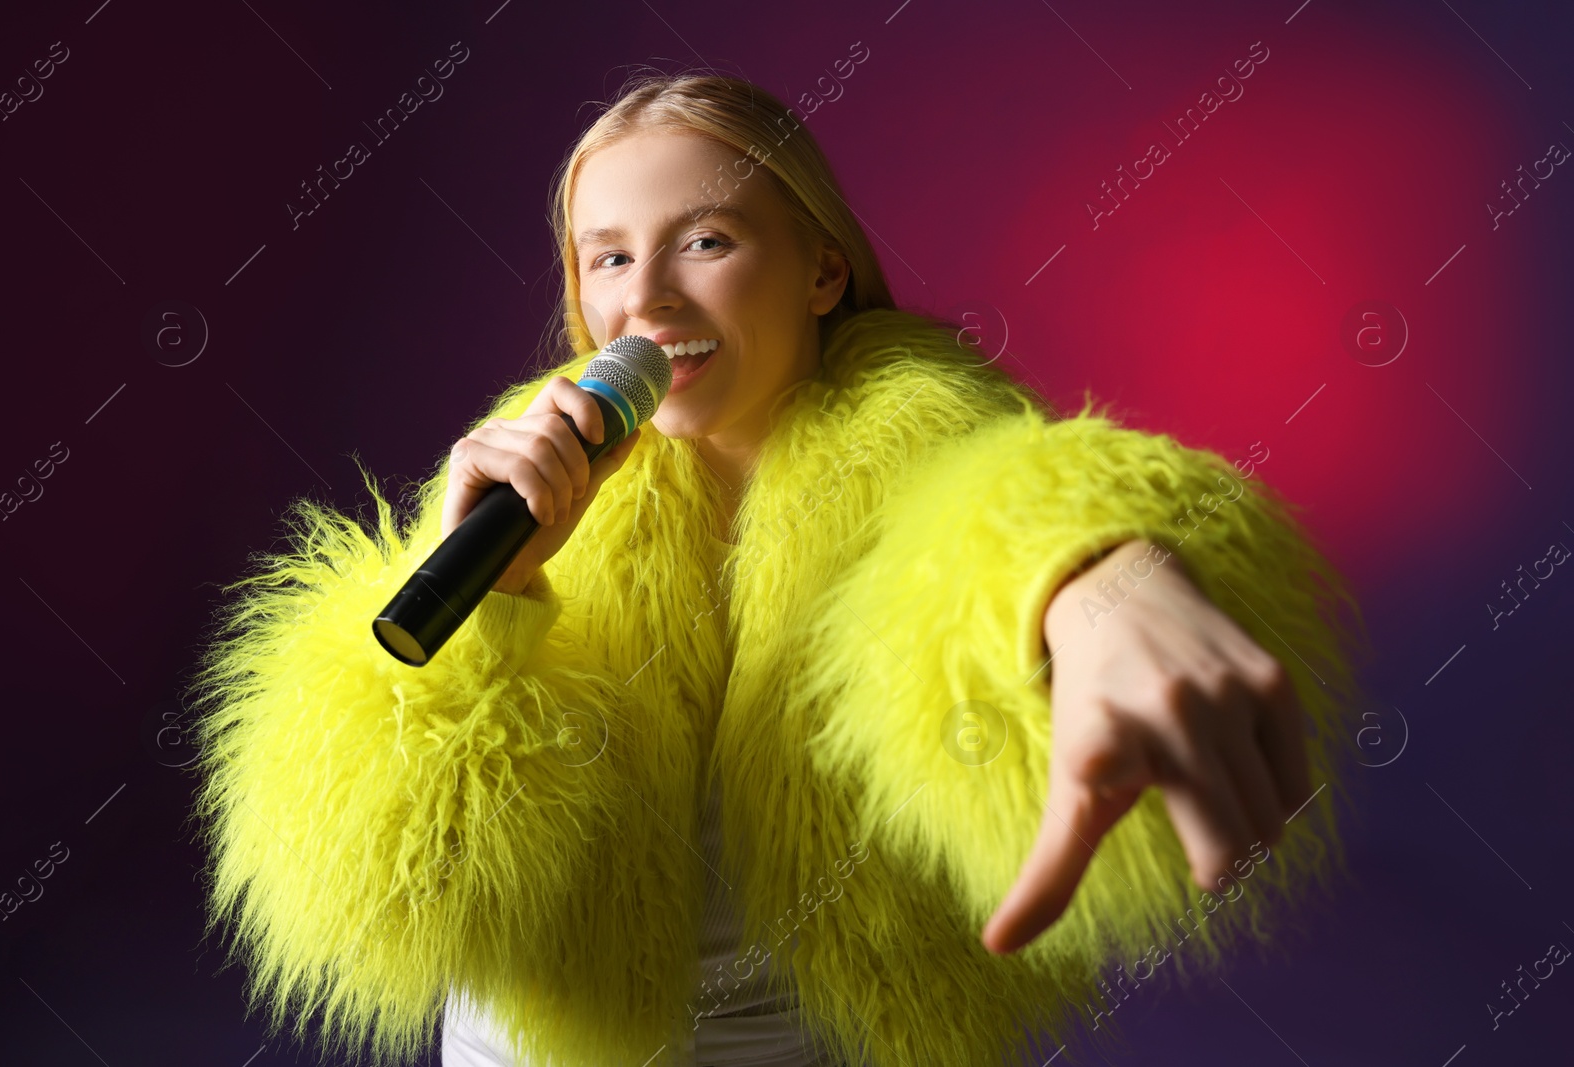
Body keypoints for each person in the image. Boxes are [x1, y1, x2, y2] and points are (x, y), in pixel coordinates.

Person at [188, 72, 1368, 1067]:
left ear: (818, 269)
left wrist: (1097, 580)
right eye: (606, 257)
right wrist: (494, 593)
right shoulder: (523, 468)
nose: (643, 296)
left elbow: (1002, 512)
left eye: (703, 240)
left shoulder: (929, 433)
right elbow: (376, 879)